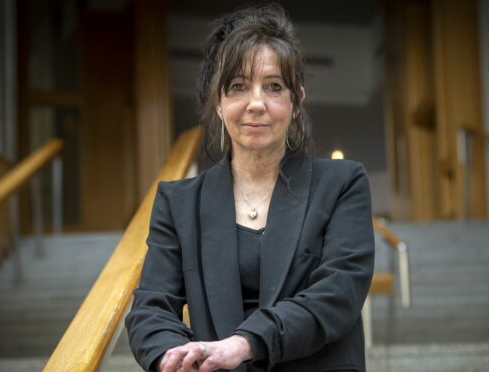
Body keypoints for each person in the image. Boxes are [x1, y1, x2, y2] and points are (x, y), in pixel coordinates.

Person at [125, 4, 375, 372]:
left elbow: (337, 295)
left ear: (295, 101)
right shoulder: (178, 204)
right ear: (218, 102)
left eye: (273, 87)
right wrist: (172, 356)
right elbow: (150, 307)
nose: (256, 103)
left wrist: (245, 344)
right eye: (238, 87)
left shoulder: (342, 185)